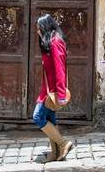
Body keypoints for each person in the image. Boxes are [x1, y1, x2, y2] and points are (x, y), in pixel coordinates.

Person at [32, 14, 73, 162]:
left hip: (54, 90)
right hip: (48, 89)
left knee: (37, 117)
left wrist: (61, 94)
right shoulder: (50, 42)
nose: (37, 31)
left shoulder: (56, 42)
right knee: (50, 118)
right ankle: (55, 154)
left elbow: (60, 69)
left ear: (45, 27)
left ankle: (63, 143)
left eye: (39, 28)